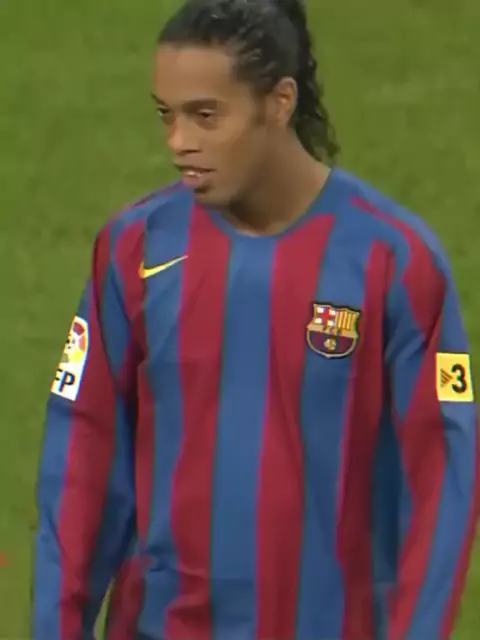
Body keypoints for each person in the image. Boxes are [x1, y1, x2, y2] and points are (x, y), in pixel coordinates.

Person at [32, 0, 479, 638]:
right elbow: (82, 458)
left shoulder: (395, 260)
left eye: (205, 115)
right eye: (166, 114)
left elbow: (441, 483)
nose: (178, 142)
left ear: (279, 101)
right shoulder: (136, 248)